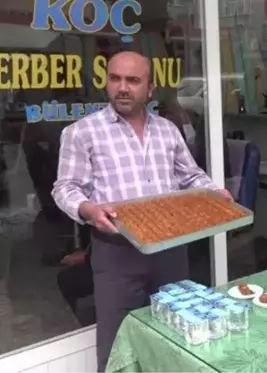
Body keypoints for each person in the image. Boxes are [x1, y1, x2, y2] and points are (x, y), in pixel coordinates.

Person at [51, 51, 231, 373]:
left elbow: (190, 176)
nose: (122, 87)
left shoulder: (167, 130)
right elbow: (65, 188)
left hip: (170, 249)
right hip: (117, 254)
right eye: (115, 78)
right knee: (118, 344)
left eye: (133, 81)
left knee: (174, 333)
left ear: (149, 89)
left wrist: (214, 193)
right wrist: (88, 209)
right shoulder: (82, 133)